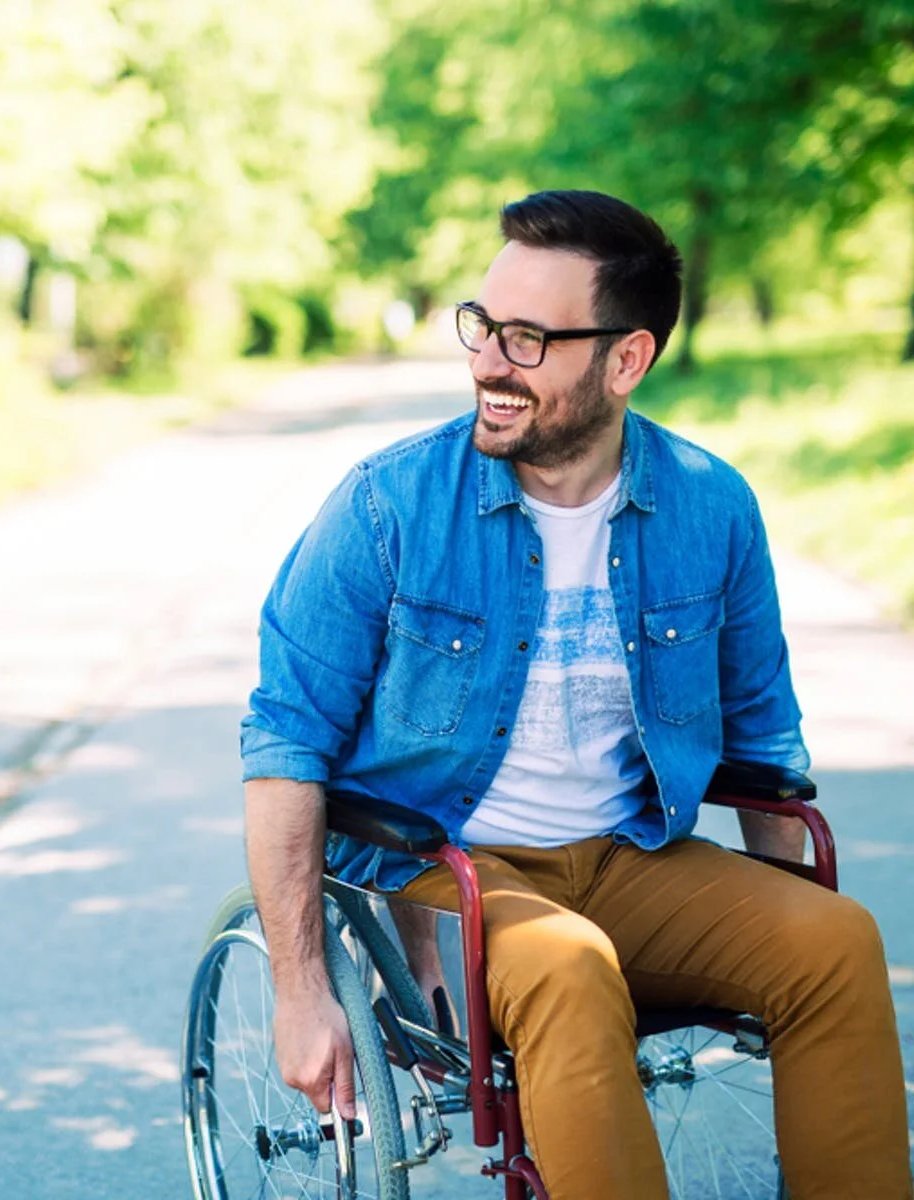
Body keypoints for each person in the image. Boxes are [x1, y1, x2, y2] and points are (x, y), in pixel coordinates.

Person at [240, 189, 911, 1200]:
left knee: (832, 941)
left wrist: (774, 912)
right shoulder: (387, 505)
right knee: (564, 961)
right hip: (449, 866)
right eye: (482, 326)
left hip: (625, 855)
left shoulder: (708, 503)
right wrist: (301, 991)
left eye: (526, 339)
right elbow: (286, 746)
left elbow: (764, 738)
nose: (486, 363)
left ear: (626, 359)